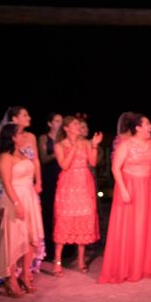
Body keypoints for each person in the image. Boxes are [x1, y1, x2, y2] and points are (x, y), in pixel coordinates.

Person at [98, 113, 151, 283]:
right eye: (148, 124)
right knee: (130, 225)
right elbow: (115, 167)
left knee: (146, 224)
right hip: (130, 185)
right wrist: (122, 189)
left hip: (147, 185)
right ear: (138, 127)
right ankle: (127, 266)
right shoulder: (126, 144)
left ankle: (146, 265)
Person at [0, 123, 45, 297]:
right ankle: (10, 278)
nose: (24, 136)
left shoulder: (23, 154)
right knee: (14, 238)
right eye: (21, 134)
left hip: (29, 196)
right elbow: (7, 183)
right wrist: (17, 204)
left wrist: (34, 199)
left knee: (31, 238)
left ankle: (25, 273)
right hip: (13, 198)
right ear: (12, 137)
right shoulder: (5, 157)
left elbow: (30, 175)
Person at [52, 116, 102, 276]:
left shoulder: (86, 142)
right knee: (64, 221)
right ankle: (57, 261)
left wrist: (94, 145)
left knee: (83, 220)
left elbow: (93, 162)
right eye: (74, 124)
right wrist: (73, 147)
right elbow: (64, 165)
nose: (78, 126)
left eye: (79, 124)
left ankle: (81, 260)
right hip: (68, 185)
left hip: (84, 185)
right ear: (66, 128)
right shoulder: (59, 145)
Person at [38, 112, 63, 261]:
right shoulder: (43, 138)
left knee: (61, 212)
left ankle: (64, 249)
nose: (59, 123)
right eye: (57, 120)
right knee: (48, 211)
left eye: (61, 120)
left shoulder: (63, 138)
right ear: (50, 123)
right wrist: (58, 152)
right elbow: (43, 158)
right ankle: (48, 247)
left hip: (62, 175)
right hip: (49, 176)